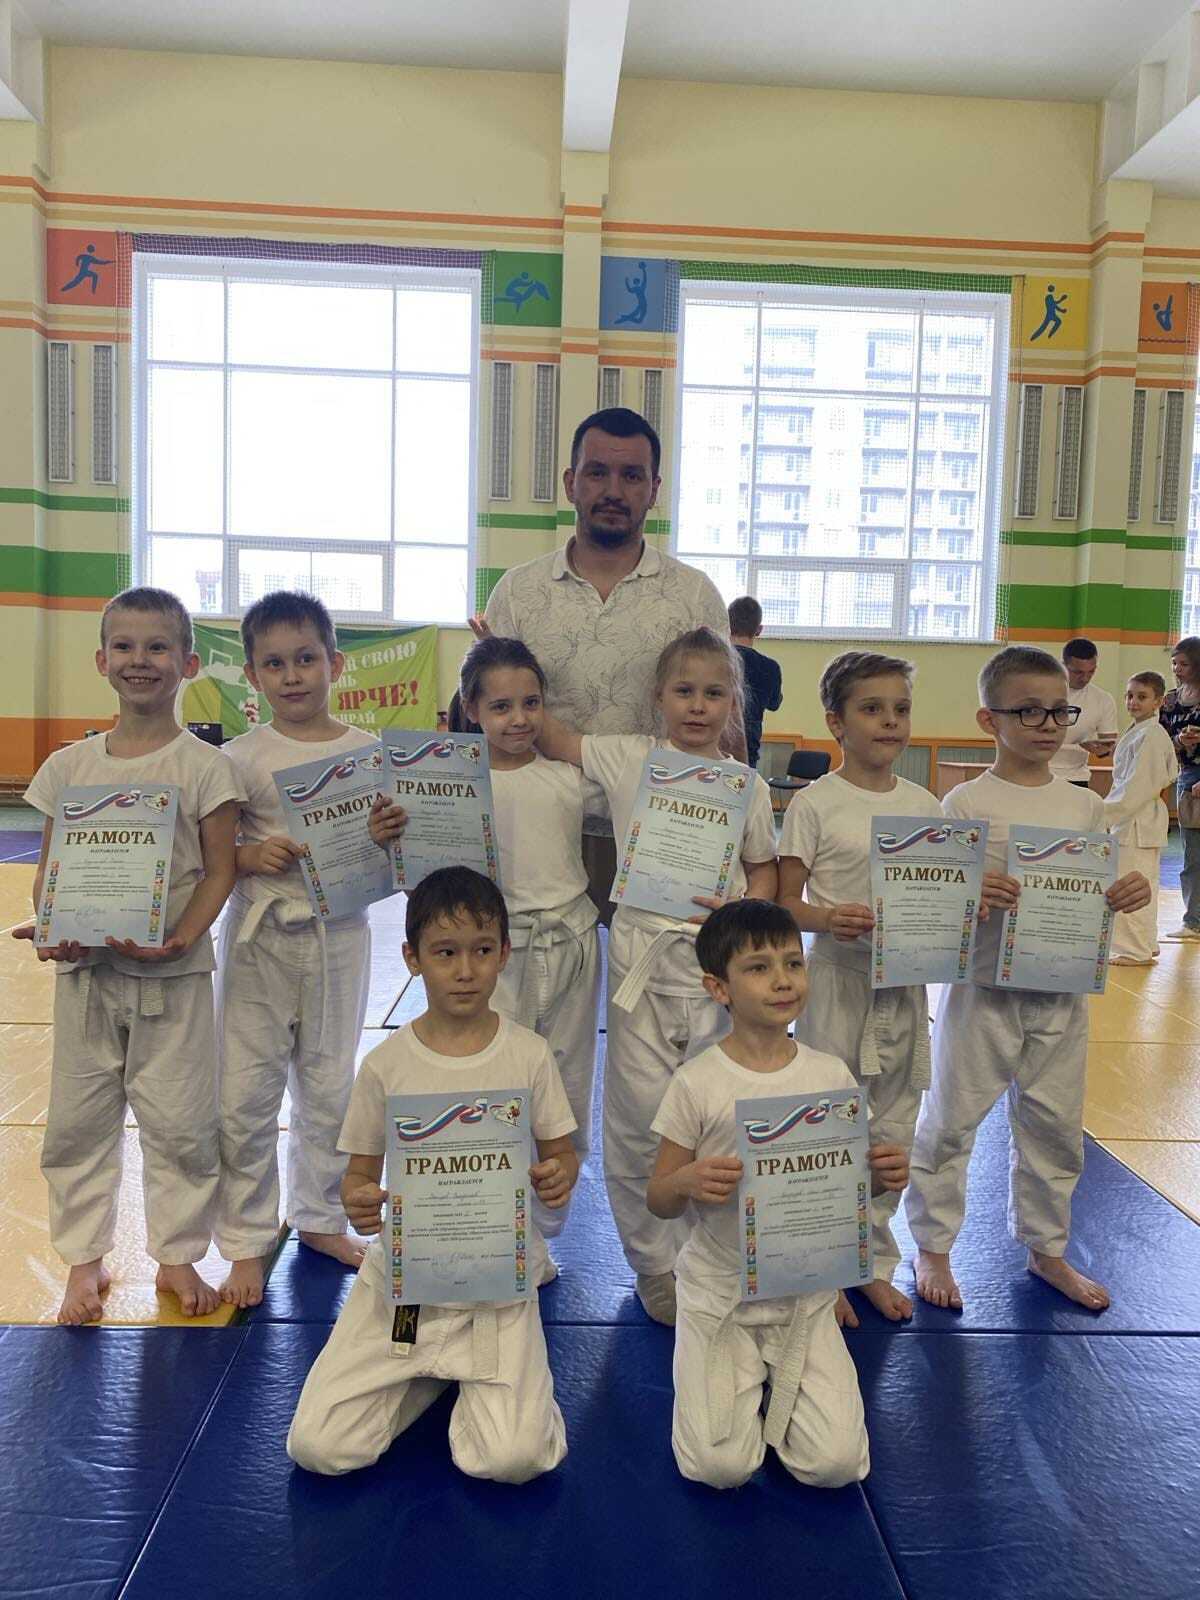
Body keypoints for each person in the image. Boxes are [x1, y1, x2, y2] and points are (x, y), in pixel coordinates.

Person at [286, 868, 577, 1482]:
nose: (465, 970)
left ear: (504, 955)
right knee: (320, 1447)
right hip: (407, 1279)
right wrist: (359, 1202)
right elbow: (359, 1176)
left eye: (482, 951)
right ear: (412, 959)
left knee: (513, 1459)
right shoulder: (386, 1065)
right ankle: (427, 1373)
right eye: (445, 953)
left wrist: (558, 1175)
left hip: (497, 1275)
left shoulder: (528, 1054)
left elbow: (563, 1152)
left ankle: (458, 1368)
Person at [537, 626, 776, 1325]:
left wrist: (745, 908)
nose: (698, 706)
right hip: (641, 962)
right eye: (684, 691)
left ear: (732, 703)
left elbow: (763, 867)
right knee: (640, 1119)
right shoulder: (628, 758)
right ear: (658, 696)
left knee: (718, 1114)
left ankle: (712, 1257)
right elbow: (552, 737)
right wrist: (501, 654)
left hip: (716, 967)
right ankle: (654, 1264)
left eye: (714, 693)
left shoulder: (746, 786)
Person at [13, 587, 239, 1324]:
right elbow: (49, 871)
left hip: (172, 975)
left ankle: (176, 1253)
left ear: (188, 663)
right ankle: (84, 1260)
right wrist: (51, 925)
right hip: (87, 975)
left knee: (181, 1123)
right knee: (78, 1122)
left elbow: (220, 869)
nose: (141, 660)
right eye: (125, 646)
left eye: (158, 647)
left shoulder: (205, 766)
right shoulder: (68, 767)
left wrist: (183, 937)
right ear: (101, 660)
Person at [905, 646, 1151, 1313]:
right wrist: (970, 892)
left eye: (1059, 712)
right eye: (1029, 712)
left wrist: (1124, 892)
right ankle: (933, 1245)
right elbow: (931, 902)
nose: (1048, 725)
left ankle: (1046, 1248)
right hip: (983, 992)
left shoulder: (1085, 806)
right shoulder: (964, 802)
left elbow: (1097, 890)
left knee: (1055, 1128)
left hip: (1062, 994)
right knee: (950, 1122)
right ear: (990, 719)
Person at [647, 900, 906, 1489]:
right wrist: (685, 1182)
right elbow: (659, 1197)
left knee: (837, 1465)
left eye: (793, 962)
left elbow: (848, 1186)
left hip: (802, 1293)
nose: (783, 979)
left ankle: (778, 1390)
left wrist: (881, 1175)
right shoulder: (697, 1082)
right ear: (718, 988)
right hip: (721, 1290)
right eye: (759, 968)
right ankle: (723, 1375)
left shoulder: (829, 1074)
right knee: (719, 1468)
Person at [371, 635, 600, 1253]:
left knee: (565, 1088)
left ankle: (541, 1237)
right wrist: (388, 834)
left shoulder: (571, 778)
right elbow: (419, 878)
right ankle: (488, 1231)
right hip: (490, 952)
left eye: (531, 703)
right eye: (500, 707)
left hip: (570, 940)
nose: (519, 719)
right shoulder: (440, 785)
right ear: (471, 709)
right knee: (491, 1086)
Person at [478, 406, 735, 914]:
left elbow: (726, 725)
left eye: (632, 476)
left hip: (663, 831)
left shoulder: (694, 596)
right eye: (597, 472)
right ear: (570, 483)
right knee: (545, 966)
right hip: (538, 825)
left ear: (654, 489)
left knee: (656, 965)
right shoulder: (518, 592)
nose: (614, 490)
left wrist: (730, 830)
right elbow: (489, 714)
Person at [214, 591, 390, 1308]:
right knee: (244, 1093)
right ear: (252, 674)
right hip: (259, 939)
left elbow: (390, 854)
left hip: (338, 935)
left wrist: (386, 835)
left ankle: (319, 1218)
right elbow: (209, 852)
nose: (292, 676)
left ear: (334, 664)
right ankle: (246, 1237)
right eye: (275, 664)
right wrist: (247, 855)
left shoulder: (367, 754)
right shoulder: (236, 759)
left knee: (329, 1087)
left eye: (306, 659)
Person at [777, 651, 938, 1324]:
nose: (890, 721)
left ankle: (871, 1260)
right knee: (829, 1122)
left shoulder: (925, 805)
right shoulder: (814, 803)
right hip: (836, 982)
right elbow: (784, 904)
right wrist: (827, 918)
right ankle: (823, 1267)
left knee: (893, 1130)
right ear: (836, 723)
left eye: (900, 709)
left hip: (904, 988)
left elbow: (941, 900)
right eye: (872, 709)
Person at [1103, 672, 1177, 965]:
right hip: (1137, 818)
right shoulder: (1141, 730)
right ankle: (1146, 942)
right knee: (1145, 882)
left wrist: (1103, 814)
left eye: (1142, 697)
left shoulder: (1151, 735)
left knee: (1130, 884)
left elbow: (1137, 786)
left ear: (1159, 701)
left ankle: (1134, 950)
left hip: (1136, 819)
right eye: (1130, 695)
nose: (1133, 702)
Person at [1160, 637, 1200, 939]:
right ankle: (1193, 920)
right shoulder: (1171, 700)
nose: (1177, 669)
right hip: (1186, 777)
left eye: (1183, 664)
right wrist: (1179, 741)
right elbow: (1161, 740)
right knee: (1193, 854)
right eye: (1174, 663)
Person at [1050, 638, 1117, 787]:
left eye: (1091, 671)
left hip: (1077, 777)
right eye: (1078, 672)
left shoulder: (1103, 700)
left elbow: (1108, 747)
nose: (1085, 678)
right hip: (1038, 773)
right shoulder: (1041, 693)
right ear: (1062, 666)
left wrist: (1101, 750)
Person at [728, 596, 783, 771]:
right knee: (741, 787)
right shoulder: (770, 667)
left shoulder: (713, 659)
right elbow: (774, 704)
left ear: (728, 625)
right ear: (759, 630)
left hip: (711, 744)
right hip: (748, 748)